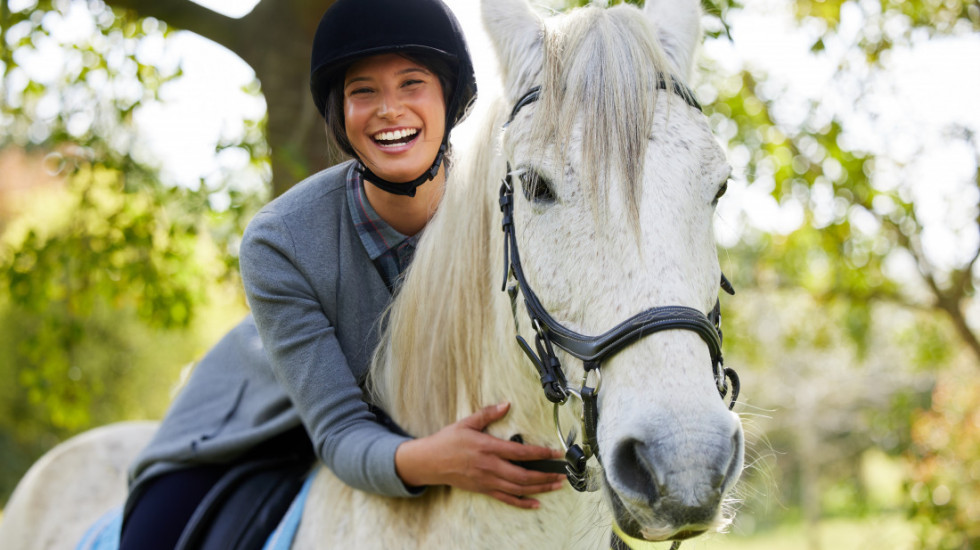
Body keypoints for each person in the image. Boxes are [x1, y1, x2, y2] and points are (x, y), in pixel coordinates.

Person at [119, 1, 565, 548]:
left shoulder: (510, 204)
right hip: (266, 424)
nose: (388, 109)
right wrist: (436, 460)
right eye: (363, 92)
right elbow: (338, 431)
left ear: (450, 97)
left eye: (411, 83)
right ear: (340, 111)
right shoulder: (278, 241)